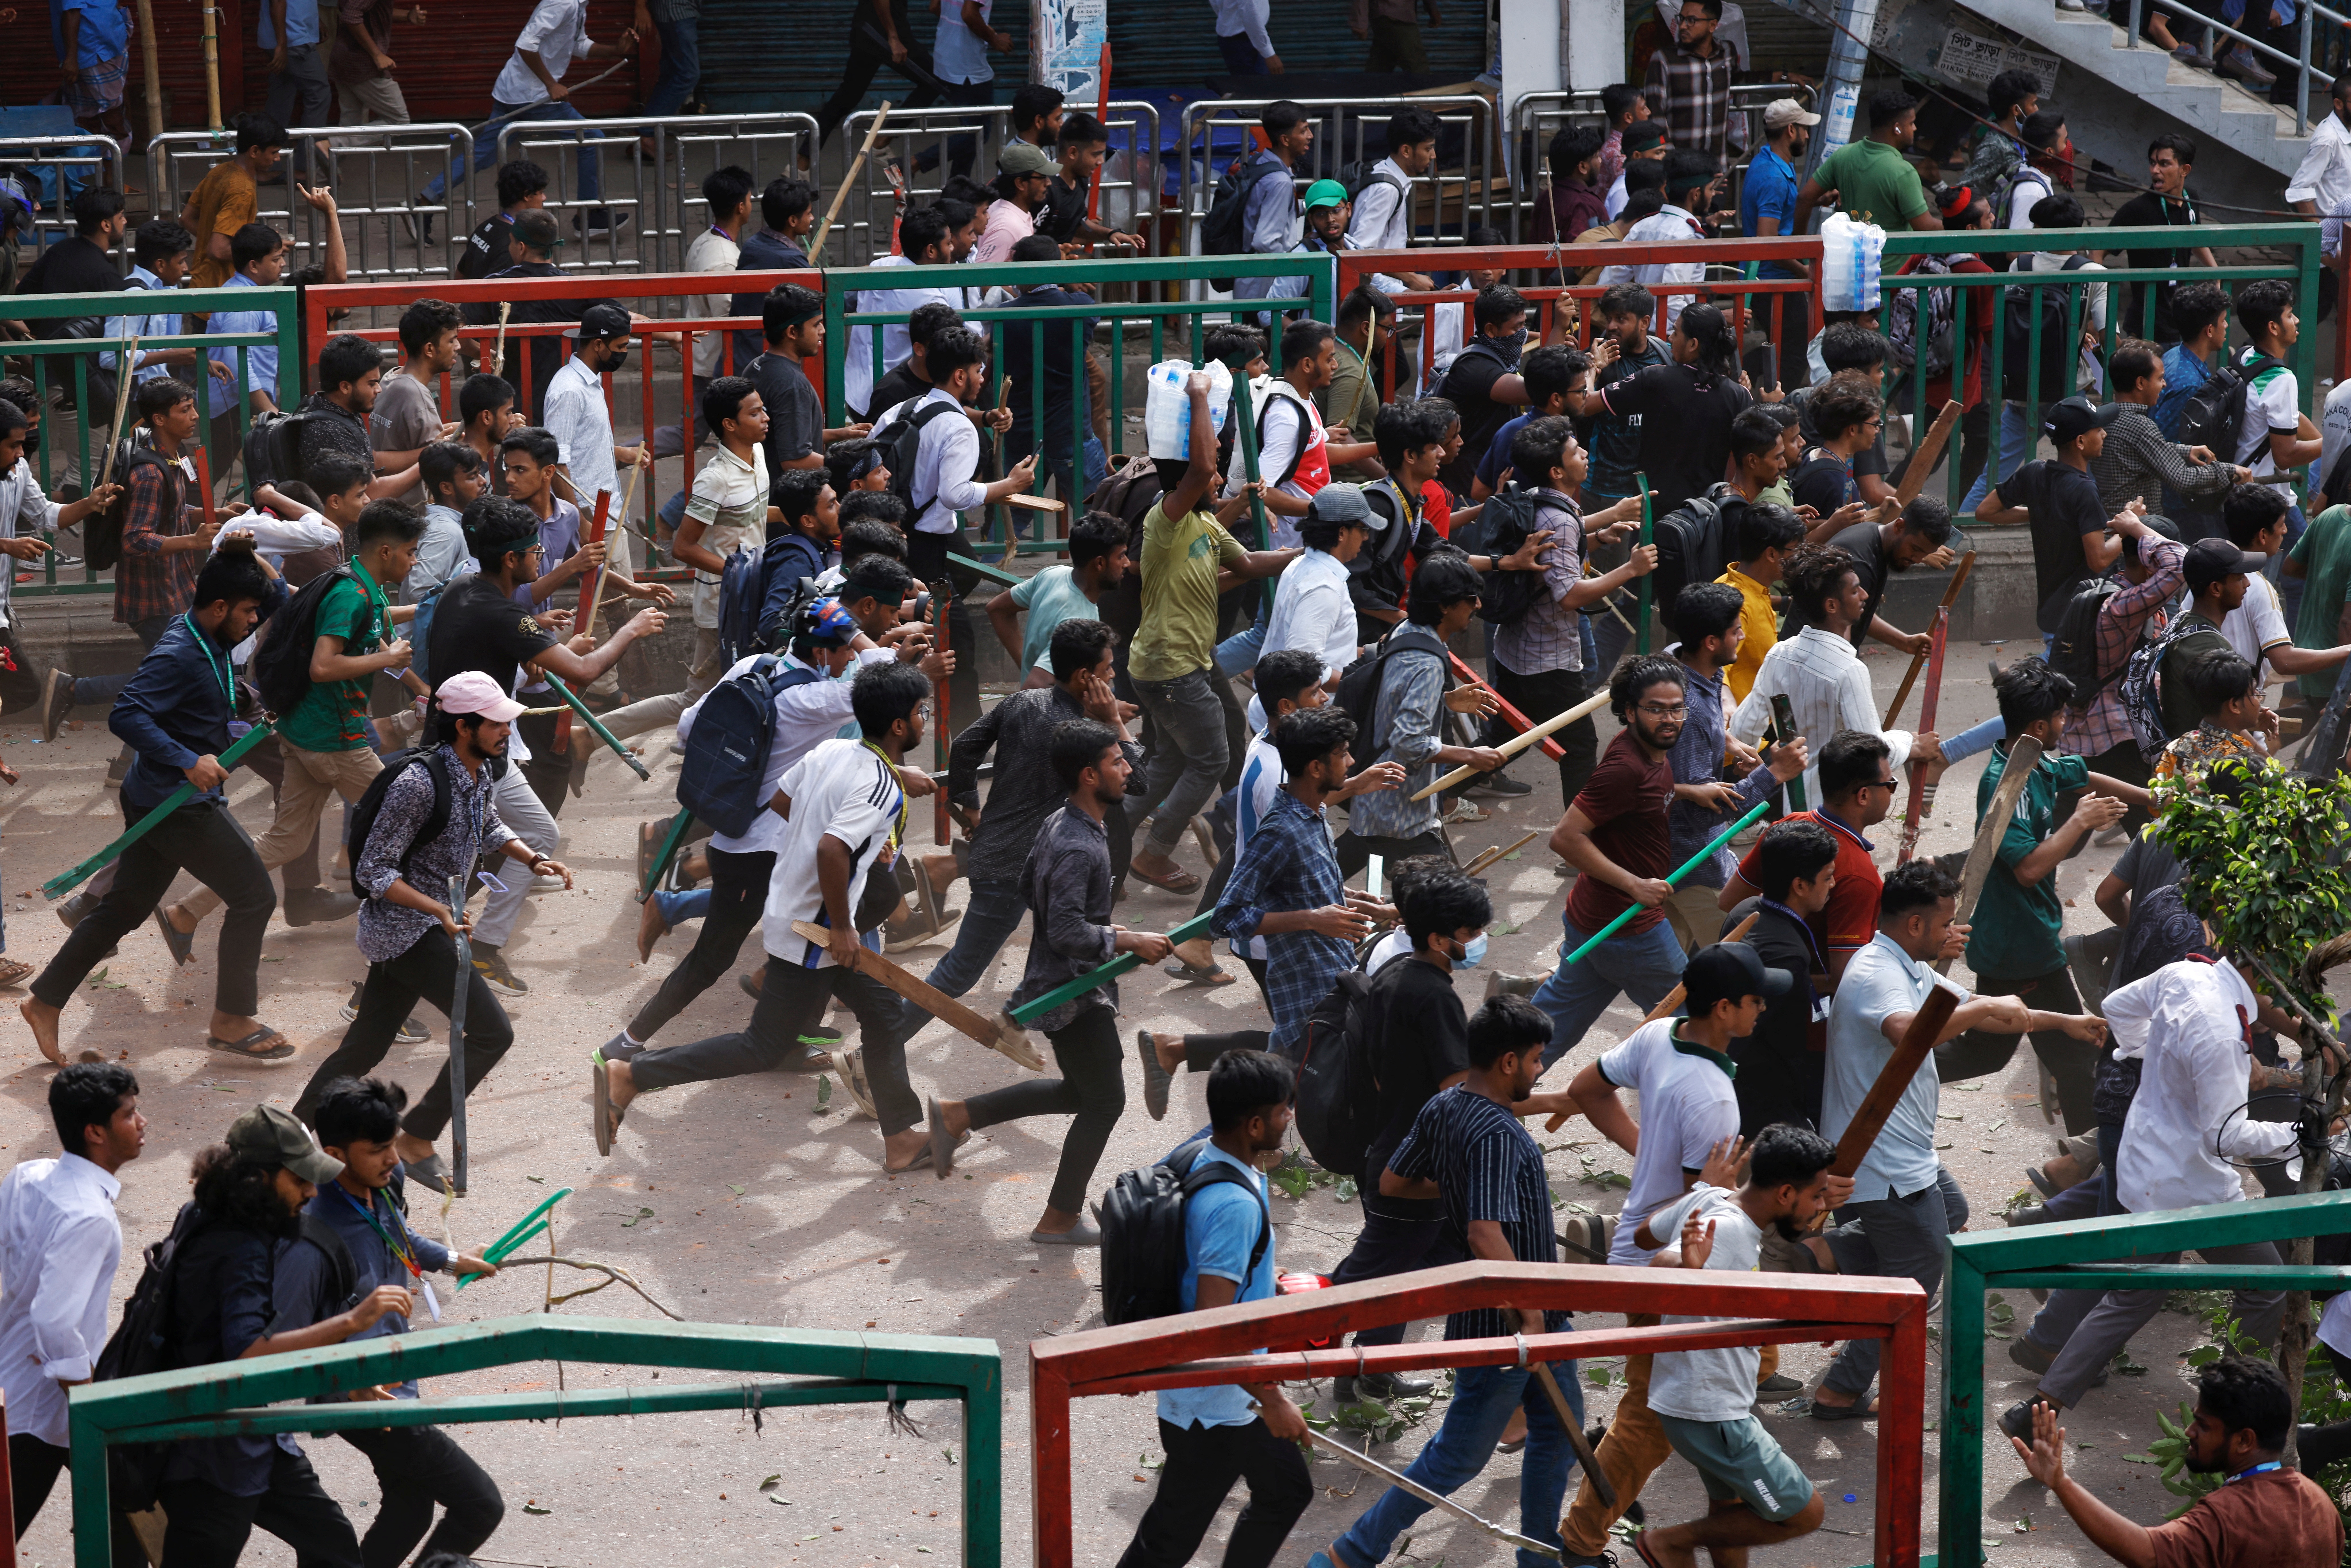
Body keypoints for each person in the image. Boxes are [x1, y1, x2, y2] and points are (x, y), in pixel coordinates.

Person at [599, 663, 939, 1174]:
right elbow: (832, 848)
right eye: (920, 712)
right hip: (817, 934)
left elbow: (783, 802)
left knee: (884, 1017)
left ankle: (901, 1139)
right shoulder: (878, 787)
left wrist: (812, 864)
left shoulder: (832, 752)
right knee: (762, 1046)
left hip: (800, 913)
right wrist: (843, 925)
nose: (924, 720)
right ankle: (633, 1074)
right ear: (898, 725)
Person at [1808, 858, 2102, 1419]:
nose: (1955, 934)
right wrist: (1986, 1006)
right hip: (1878, 1156)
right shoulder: (1876, 973)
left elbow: (1982, 1016)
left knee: (1951, 1210)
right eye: (1947, 922)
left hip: (1908, 1151)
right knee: (1919, 1272)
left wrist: (2063, 1023)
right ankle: (1840, 1389)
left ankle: (1821, 1251)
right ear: (1914, 924)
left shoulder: (1912, 965)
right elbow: (1908, 1033)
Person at [605, 585, 930, 1082]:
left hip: (749, 834)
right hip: (757, 848)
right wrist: (886, 649)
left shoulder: (754, 665)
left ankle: (795, 1024)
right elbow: (875, 686)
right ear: (821, 650)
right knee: (712, 958)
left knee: (875, 895)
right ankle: (625, 1046)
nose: (848, 655)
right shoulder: (816, 697)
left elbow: (690, 726)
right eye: (842, 646)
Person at [1997, 943, 2319, 1438]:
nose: (2285, 1007)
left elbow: (2118, 1007)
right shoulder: (2221, 1034)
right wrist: (2304, 1134)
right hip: (2190, 1188)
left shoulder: (2187, 973)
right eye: (2284, 990)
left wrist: (2155, 1054)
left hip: (2144, 1163)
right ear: (2260, 973)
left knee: (2133, 1294)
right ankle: (2230, 1409)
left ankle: (2037, 1409)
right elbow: (2226, 1136)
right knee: (2266, 1283)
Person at [1308, 994, 1582, 1568]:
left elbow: (1395, 1181)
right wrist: (1530, 1317)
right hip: (1508, 1324)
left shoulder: (1444, 1106)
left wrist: (1455, 1189)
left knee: (1560, 1434)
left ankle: (1540, 1556)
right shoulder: (1496, 1134)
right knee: (1454, 1458)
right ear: (1507, 1061)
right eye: (1535, 1060)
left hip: (1536, 1318)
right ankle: (1349, 1553)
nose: (1538, 1071)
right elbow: (1484, 1233)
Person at [288, 673, 566, 1193]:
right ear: (464, 726)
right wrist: (436, 908)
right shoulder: (416, 784)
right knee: (493, 1033)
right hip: (409, 929)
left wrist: (533, 857)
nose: (507, 729)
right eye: (497, 722)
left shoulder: (480, 770)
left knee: (363, 1046)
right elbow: (374, 870)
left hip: (431, 925)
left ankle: (294, 1137)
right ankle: (417, 1137)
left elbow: (486, 826)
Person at [22, 540, 290, 1067]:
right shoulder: (179, 652)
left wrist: (243, 556)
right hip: (178, 802)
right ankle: (233, 1017)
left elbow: (276, 596)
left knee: (124, 905)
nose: (257, 619)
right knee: (255, 895)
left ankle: (44, 999)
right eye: (248, 612)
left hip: (157, 795)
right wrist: (189, 758)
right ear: (219, 609)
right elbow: (126, 715)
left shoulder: (205, 627)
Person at [1553, 946, 1772, 1562]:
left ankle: (1716, 1517)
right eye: (1756, 999)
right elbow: (1692, 1224)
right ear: (1725, 1009)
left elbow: (1584, 1089)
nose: (1764, 1008)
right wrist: (1705, 1184)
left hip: (1645, 1243)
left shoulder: (1657, 1035)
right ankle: (1580, 1541)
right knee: (1652, 1416)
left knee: (1733, 1391)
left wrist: (1646, 1147)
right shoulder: (1715, 1101)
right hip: (1669, 1269)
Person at [924, 717, 1172, 1241]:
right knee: (1104, 1101)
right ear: (1088, 775)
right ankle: (1058, 1217)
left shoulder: (1062, 822)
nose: (1128, 768)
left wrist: (1107, 928)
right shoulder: (1078, 843)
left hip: (1070, 980)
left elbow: (1034, 889)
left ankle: (959, 1113)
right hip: (1073, 991)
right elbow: (1062, 927)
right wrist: (1122, 940)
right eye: (1116, 761)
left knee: (1079, 1092)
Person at [160, 490, 426, 946]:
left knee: (288, 841)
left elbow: (374, 637)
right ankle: (415, 926)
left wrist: (418, 679)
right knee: (411, 817)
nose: (414, 561)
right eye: (410, 552)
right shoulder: (351, 594)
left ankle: (186, 912)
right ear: (387, 551)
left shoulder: (362, 586)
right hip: (335, 740)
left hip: (304, 731)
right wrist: (391, 658)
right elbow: (324, 666)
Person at [155, 1105, 414, 1566]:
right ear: (258, 1179)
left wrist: (338, 1375)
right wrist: (353, 1322)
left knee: (331, 1542)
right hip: (214, 1450)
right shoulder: (243, 1250)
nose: (312, 1192)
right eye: (300, 1181)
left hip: (254, 1433)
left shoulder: (202, 1213)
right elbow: (250, 1352)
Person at [426, 497, 665, 993]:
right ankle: (387, 982)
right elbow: (585, 672)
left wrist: (539, 657)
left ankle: (486, 946)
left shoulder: (464, 592)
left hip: (487, 749)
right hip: (464, 757)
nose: (541, 558)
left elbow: (480, 666)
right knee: (447, 870)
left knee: (537, 834)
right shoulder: (503, 613)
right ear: (512, 559)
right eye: (535, 550)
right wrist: (630, 628)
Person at [1114, 1051, 1310, 1568]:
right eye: (1283, 1110)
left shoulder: (1205, 1154)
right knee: (1169, 1542)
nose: (1289, 1118)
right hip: (1219, 1404)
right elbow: (1215, 1323)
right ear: (1253, 1124)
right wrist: (1271, 1399)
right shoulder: (1235, 1204)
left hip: (1206, 1394)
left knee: (1276, 1494)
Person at [304, 1076, 506, 1567]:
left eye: (393, 1143)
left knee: (409, 1510)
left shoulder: (384, 1181)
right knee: (480, 1503)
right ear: (334, 1152)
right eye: (377, 1150)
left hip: (399, 1379)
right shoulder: (314, 1225)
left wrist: (453, 1258)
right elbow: (298, 1320)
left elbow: (399, 1232)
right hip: (364, 1395)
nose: (394, 1158)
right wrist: (350, 1379)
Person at [1937, 661, 2144, 1135]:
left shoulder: (2037, 760)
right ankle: (2084, 1168)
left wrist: (2149, 797)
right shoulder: (2002, 783)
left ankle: (1898, 1065)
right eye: (2059, 717)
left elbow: (2083, 775)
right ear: (2037, 726)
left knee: (1987, 1051)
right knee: (2076, 1060)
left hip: (2026, 936)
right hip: (2018, 943)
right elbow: (2028, 869)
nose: (2065, 724)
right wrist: (2079, 822)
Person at [1629, 1122, 1842, 1567]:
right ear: (1785, 1193)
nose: (1822, 1207)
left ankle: (1676, 1546)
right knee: (1804, 1513)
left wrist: (1700, 1192)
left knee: (1729, 1513)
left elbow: (1645, 1232)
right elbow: (1657, 1261)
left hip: (1697, 1402)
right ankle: (1668, 1542)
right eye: (1817, 1196)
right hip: (1711, 1412)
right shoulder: (1728, 1228)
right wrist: (1686, 1269)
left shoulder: (1712, 1199)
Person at [1317, 872, 1495, 1395]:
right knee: (1362, 1280)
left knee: (1411, 1266)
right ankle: (1269, 1340)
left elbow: (1379, 1070)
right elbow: (1454, 1089)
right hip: (1412, 1167)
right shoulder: (1436, 997)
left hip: (1391, 1140)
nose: (1478, 939)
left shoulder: (1394, 973)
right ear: (1440, 938)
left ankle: (1370, 1370)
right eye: (1472, 930)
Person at [1127, 372, 1294, 894]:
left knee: (1176, 758)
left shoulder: (1204, 523)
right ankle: (1154, 855)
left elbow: (1247, 563)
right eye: (1214, 474)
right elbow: (1200, 467)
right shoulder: (1169, 517)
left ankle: (1111, 833)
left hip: (1187, 661)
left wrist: (1308, 553)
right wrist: (1199, 394)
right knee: (1213, 756)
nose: (1219, 478)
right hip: (1170, 664)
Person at [0, 1062, 145, 1542]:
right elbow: (55, 1320)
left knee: (127, 1522)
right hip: (46, 1411)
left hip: (15, 1382)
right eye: (130, 1114)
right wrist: (89, 1404)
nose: (142, 1122)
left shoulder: (28, 1176)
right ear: (95, 1131)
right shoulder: (90, 1216)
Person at [2016, 1358, 2342, 1567]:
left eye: (2203, 1425)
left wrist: (2061, 1482)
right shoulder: (2319, 1503)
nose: (2188, 1431)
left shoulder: (2227, 1515)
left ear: (2244, 1440)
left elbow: (2147, 1552)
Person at [1528, 655, 1694, 1051]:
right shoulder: (1625, 767)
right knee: (1696, 1032)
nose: (1669, 719)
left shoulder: (1648, 750)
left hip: (1593, 918)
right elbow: (1566, 838)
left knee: (1543, 1036)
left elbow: (1640, 801)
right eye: (1655, 709)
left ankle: (1485, 1096)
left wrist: (1688, 791)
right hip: (1631, 929)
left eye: (1677, 709)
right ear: (1629, 711)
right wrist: (1634, 885)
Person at [1482, 416, 1647, 804]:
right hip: (1548, 662)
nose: (1586, 454)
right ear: (1558, 470)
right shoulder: (1559, 516)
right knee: (1579, 747)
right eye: (1576, 452)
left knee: (1507, 740)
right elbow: (1571, 596)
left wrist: (1596, 537)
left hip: (1517, 651)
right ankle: (1579, 845)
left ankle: (1438, 795)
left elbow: (1560, 549)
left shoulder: (1540, 500)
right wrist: (1630, 569)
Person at [1212, 707, 1387, 1059]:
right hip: (1304, 996)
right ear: (1316, 768)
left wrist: (1350, 898)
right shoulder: (1280, 831)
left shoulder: (1315, 814)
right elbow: (1226, 917)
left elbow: (1301, 887)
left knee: (1283, 1095)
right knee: (1313, 1097)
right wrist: (1312, 919)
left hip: (1334, 978)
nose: (1351, 762)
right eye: (1342, 754)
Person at [1338, 554, 1506, 870]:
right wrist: (1470, 756)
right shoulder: (1427, 663)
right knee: (1443, 903)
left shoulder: (1406, 630)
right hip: (1399, 811)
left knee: (1346, 865)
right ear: (1445, 606)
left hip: (1381, 803)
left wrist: (1442, 701)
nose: (1478, 606)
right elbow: (1409, 742)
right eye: (1470, 599)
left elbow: (1392, 696)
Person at [1661, 582, 1804, 950]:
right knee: (1743, 966)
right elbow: (1700, 813)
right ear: (1711, 642)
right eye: (1735, 631)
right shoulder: (1685, 711)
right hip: (1692, 865)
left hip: (1677, 858)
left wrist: (1726, 741)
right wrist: (1772, 773)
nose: (1742, 637)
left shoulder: (1677, 663)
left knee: (1662, 970)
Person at [416, 0, 639, 234]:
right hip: (533, 96)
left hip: (515, 92)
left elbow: (579, 44)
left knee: (482, 154)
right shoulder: (565, 3)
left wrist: (615, 50)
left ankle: (424, 203)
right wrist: (551, 84)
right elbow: (526, 44)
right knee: (592, 139)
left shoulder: (578, 5)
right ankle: (589, 217)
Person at [1730, 544, 1917, 805]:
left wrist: (1748, 763)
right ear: (1831, 605)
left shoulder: (1780, 654)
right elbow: (1872, 756)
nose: (1864, 595)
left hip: (1792, 808)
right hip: (1834, 813)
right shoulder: (1848, 671)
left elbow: (1744, 726)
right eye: (1855, 591)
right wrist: (1908, 742)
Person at [1722, 729, 1895, 981]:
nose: (1892, 792)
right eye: (1890, 785)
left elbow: (1729, 902)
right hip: (1812, 1014)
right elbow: (1848, 978)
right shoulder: (1859, 875)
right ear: (1864, 795)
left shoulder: (1788, 826)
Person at [1974, 397, 2137, 652]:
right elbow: (2099, 559)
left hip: (2052, 611)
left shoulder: (2034, 472)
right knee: (2062, 679)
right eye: (2098, 430)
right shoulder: (2085, 490)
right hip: (2080, 613)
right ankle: (2024, 683)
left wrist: (2045, 511)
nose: (2105, 434)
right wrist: (2131, 525)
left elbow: (1986, 511)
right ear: (2081, 442)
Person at [1589, 301, 1753, 515]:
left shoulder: (1656, 378)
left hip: (1654, 513)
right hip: (1705, 516)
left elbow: (1584, 404)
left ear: (1693, 345)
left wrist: (1593, 366)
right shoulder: (1739, 395)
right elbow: (1752, 458)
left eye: (1676, 333)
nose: (1670, 338)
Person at [1728, 821, 1838, 1130]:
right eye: (1827, 878)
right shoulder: (1787, 955)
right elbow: (1742, 1031)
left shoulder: (1745, 911)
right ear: (1800, 886)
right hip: (1763, 1098)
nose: (1832, 885)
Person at [2065, 513, 2184, 784]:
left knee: (2073, 820)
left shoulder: (2136, 599)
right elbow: (2179, 565)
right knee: (2152, 824)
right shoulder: (2122, 606)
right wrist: (2134, 527)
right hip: (2114, 737)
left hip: (2106, 734)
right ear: (2151, 561)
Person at [997, 232, 1102, 510]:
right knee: (1102, 518)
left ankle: (991, 554)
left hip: (1024, 437)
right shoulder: (1079, 306)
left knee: (1011, 517)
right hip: (1071, 434)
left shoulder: (1005, 316)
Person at [2091, 339, 2243, 531]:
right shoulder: (2141, 427)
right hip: (2137, 537)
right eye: (2160, 378)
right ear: (2140, 383)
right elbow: (2182, 478)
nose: (2164, 385)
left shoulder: (2107, 415)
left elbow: (2140, 452)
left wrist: (2185, 451)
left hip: (2113, 528)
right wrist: (2230, 471)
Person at [2223, 482, 2351, 686]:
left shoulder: (2211, 573)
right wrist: (2348, 651)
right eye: (2281, 524)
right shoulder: (2256, 587)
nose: (2285, 531)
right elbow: (2284, 662)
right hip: (2235, 699)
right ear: (2263, 535)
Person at [1787, 497, 1948, 659]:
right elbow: (1841, 629)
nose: (1918, 559)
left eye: (1926, 554)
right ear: (1899, 526)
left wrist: (1905, 642)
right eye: (1915, 549)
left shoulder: (1876, 536)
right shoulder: (1859, 563)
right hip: (1812, 661)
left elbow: (1858, 612)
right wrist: (1851, 673)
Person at [986, 516, 1128, 686]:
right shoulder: (1079, 621)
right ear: (1100, 563)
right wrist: (1102, 712)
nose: (1127, 563)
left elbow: (997, 609)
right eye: (1121, 556)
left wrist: (1028, 667)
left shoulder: (1053, 574)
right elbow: (1035, 684)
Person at [2102, 135, 2216, 341]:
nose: (2155, 171)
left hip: (2180, 317)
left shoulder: (2191, 199)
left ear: (2185, 170)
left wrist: (2217, 276)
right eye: (2153, 163)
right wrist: (2097, 307)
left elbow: (2195, 235)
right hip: (2147, 323)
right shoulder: (2137, 210)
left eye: (2164, 164)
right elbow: (2098, 250)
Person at [1742, 98, 1821, 391]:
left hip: (1768, 277)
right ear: (1791, 130)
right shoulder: (1774, 177)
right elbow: (1768, 242)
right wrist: (1806, 273)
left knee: (1778, 347)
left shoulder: (1766, 162)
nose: (1807, 135)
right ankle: (1780, 410)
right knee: (1795, 352)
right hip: (1772, 281)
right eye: (1804, 129)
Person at [1793, 88, 1941, 235]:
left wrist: (1801, 249)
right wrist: (1959, 224)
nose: (1915, 128)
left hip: (1852, 256)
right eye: (1912, 123)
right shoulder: (1904, 172)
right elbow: (1926, 227)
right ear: (1898, 129)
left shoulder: (1843, 155)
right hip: (1892, 258)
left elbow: (1805, 198)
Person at [1433, 285, 1534, 494]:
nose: (1523, 335)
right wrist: (1559, 328)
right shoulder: (1475, 367)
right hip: (1465, 486)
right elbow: (1535, 392)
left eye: (1524, 326)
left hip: (1487, 476)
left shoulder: (1501, 360)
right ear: (1490, 330)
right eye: (1517, 328)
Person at [814, 0, 945, 149]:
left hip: (868, 30)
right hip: (885, 33)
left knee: (848, 96)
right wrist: (894, 38)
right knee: (934, 81)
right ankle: (881, 142)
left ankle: (802, 163)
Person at [184, 114, 289, 293]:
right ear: (255, 152)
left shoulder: (221, 171)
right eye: (274, 152)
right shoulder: (242, 190)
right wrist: (264, 250)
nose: (278, 158)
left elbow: (186, 219)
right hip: (223, 293)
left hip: (202, 285)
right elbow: (217, 250)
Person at [375, 300, 464, 509]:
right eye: (452, 341)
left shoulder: (392, 379)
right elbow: (436, 456)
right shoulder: (417, 396)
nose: (458, 347)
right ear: (430, 349)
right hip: (409, 510)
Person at [1716, 496, 1802, 704]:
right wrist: (1728, 705)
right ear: (1772, 554)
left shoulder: (1746, 586)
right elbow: (1714, 667)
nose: (1798, 557)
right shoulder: (1737, 603)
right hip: (1746, 732)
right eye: (1794, 551)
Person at [1229, 101, 1312, 318]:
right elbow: (1265, 241)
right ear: (1285, 140)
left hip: (1247, 283)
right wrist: (1294, 269)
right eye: (1303, 131)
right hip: (1265, 292)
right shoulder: (1280, 182)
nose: (1310, 136)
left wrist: (1309, 207)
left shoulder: (1261, 163)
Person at [1344, 108, 1441, 270]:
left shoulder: (1381, 169)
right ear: (1406, 151)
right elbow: (1360, 254)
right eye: (1428, 149)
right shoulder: (1387, 190)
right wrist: (1409, 280)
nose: (1433, 155)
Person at [1644, 0, 1738, 157]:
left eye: (1692, 21)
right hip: (1680, 169)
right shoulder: (1664, 59)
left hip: (1716, 168)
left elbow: (1740, 78)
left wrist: (1782, 76)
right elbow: (1655, 115)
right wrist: (1671, 161)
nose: (1683, 26)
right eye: (1681, 19)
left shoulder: (1726, 52)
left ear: (1713, 26)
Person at [332, 0, 428, 131]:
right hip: (363, 63)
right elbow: (351, 15)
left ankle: (336, 149)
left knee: (352, 124)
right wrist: (377, 54)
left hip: (347, 58)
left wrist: (407, 15)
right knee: (399, 121)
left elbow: (371, 10)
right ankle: (331, 144)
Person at [456, 161, 549, 282]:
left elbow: (460, 275)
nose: (544, 198)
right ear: (527, 196)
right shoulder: (514, 246)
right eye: (541, 193)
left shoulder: (486, 227)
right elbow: (498, 296)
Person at [1961, 68, 2040, 197]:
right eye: (2033, 104)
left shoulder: (2018, 137)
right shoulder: (1995, 147)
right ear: (2016, 110)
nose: (2037, 109)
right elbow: (1963, 187)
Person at [1533, 125, 1611, 253]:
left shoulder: (1547, 196)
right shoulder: (1583, 204)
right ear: (1583, 167)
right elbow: (1581, 255)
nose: (1601, 161)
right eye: (1597, 156)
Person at [1211, 0, 1282, 73]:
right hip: (1246, 42)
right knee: (1257, 83)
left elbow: (1216, 4)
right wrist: (1268, 54)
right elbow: (1250, 13)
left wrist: (1229, 20)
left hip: (1238, 40)